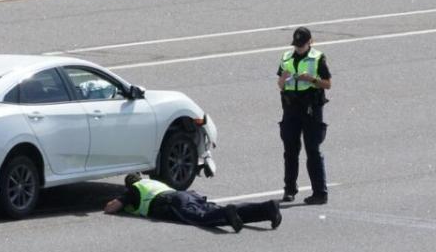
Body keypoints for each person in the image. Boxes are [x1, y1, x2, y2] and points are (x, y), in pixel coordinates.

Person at [104, 173, 281, 232]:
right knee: (216, 210)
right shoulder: (152, 182)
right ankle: (267, 209)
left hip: (172, 202)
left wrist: (116, 202)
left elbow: (112, 208)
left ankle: (227, 213)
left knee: (202, 218)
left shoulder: (133, 189)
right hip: (185, 195)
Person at [277, 26, 332, 205]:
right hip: (291, 109)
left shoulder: (317, 58)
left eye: (302, 45)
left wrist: (311, 80)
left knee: (313, 151)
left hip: (311, 109)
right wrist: (283, 80)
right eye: (297, 45)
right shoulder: (286, 57)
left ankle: (320, 193)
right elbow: (280, 84)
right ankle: (289, 190)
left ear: (310, 42)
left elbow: (327, 84)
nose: (298, 48)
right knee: (290, 151)